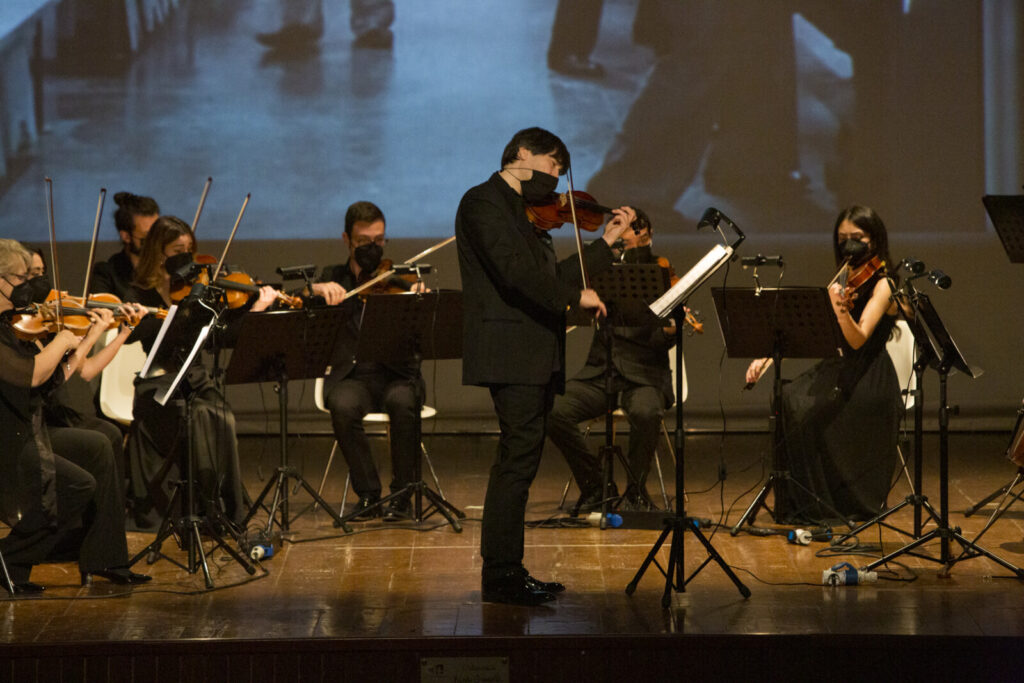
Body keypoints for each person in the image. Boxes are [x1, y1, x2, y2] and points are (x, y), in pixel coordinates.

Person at [455, 127, 633, 605]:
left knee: (522, 460)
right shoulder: (483, 203)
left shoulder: (526, 213)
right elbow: (516, 275)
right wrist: (574, 296)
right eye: (554, 165)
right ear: (523, 154)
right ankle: (502, 575)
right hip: (510, 352)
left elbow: (548, 277)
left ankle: (507, 570)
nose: (557, 181)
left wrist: (607, 244)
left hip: (532, 351)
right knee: (516, 461)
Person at [0, 238, 150, 592]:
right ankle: (14, 557)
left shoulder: (13, 324)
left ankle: (105, 558)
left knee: (101, 443)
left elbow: (52, 381)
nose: (31, 286)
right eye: (21, 278)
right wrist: (64, 339)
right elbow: (32, 375)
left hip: (27, 430)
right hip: (11, 440)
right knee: (83, 476)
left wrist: (90, 336)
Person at [744, 205, 902, 524]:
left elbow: (858, 340)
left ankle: (825, 501)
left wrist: (840, 310)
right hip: (839, 369)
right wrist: (768, 357)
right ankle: (801, 499)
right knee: (786, 398)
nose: (849, 245)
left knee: (801, 408)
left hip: (868, 377)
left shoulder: (883, 284)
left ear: (875, 239)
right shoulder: (847, 277)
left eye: (856, 238)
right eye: (842, 238)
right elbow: (815, 334)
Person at [125, 216, 275, 529]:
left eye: (190, 249)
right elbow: (141, 336)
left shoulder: (198, 289)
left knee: (221, 415)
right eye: (178, 250)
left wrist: (256, 311)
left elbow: (221, 338)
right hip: (157, 385)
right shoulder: (142, 294)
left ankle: (220, 508)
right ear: (159, 253)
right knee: (200, 419)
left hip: (194, 379)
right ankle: (197, 507)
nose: (188, 258)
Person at [546, 207, 675, 514]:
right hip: (600, 373)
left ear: (645, 234)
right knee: (552, 409)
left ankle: (636, 489)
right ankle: (597, 485)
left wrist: (669, 329)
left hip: (643, 376)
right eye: (615, 227)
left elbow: (663, 337)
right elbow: (574, 309)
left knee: (645, 412)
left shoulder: (660, 270)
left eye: (627, 228)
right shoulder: (602, 269)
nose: (621, 234)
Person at [312, 201, 424, 522]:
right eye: (364, 242)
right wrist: (316, 289)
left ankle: (403, 494)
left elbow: (420, 333)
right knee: (343, 405)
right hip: (354, 377)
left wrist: (417, 301)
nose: (373, 248)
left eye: (379, 241)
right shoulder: (333, 277)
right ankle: (368, 494)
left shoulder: (398, 280)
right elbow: (301, 294)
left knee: (404, 401)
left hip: (397, 374)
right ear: (347, 240)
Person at [90, 192, 160, 303]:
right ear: (126, 236)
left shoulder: (165, 270)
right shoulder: (106, 274)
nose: (156, 241)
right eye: (148, 236)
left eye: (158, 232)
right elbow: (101, 312)